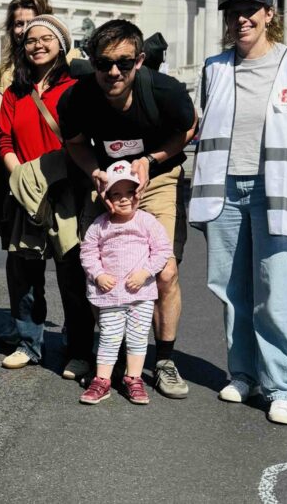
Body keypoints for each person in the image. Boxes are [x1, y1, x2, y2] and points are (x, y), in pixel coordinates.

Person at [191, 0, 287, 426]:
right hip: (225, 189)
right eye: (233, 12)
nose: (241, 19)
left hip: (280, 189)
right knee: (232, 291)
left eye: (251, 10)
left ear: (270, 13)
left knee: (279, 293)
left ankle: (283, 387)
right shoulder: (214, 68)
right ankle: (244, 374)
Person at [58, 19, 196, 398]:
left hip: (157, 177)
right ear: (93, 63)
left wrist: (152, 159)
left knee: (163, 271)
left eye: (123, 62)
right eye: (104, 63)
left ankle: (164, 360)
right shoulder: (77, 98)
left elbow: (189, 127)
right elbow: (74, 142)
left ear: (139, 61)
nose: (113, 71)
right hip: (107, 182)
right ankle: (108, 354)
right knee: (95, 268)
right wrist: (95, 173)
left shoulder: (165, 91)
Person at [0, 15, 94, 378]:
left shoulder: (77, 85)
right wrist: (20, 175)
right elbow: (4, 138)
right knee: (23, 272)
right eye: (31, 40)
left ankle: (79, 350)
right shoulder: (15, 92)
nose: (37, 45)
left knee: (72, 274)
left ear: (61, 44)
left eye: (46, 39)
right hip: (26, 190)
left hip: (68, 188)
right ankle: (28, 342)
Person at [78, 161, 172, 406]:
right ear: (106, 197)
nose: (123, 199)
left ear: (138, 193)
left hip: (140, 294)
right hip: (110, 295)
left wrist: (146, 272)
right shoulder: (100, 224)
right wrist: (97, 274)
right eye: (116, 194)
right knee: (109, 336)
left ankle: (134, 378)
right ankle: (102, 380)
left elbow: (162, 250)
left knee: (138, 337)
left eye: (129, 193)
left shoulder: (146, 221)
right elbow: (88, 253)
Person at [0, 0, 52, 91]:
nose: (25, 30)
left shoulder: (62, 66)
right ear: (11, 29)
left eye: (31, 23)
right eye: (19, 24)